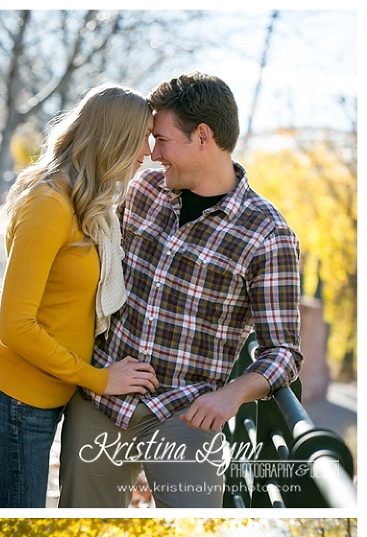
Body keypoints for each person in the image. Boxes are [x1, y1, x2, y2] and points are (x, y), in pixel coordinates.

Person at [58, 72, 303, 508]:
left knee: (192, 526)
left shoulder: (268, 234)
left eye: (162, 139)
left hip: (185, 412)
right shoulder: (140, 191)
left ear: (202, 136)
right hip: (101, 394)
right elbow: (76, 248)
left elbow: (283, 350)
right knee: (78, 517)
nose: (152, 153)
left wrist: (232, 395)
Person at [0, 83, 159, 508]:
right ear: (116, 139)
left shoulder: (87, 205)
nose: (147, 151)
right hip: (12, 401)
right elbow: (15, 326)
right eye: (143, 137)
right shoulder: (50, 201)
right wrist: (100, 379)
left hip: (34, 403)